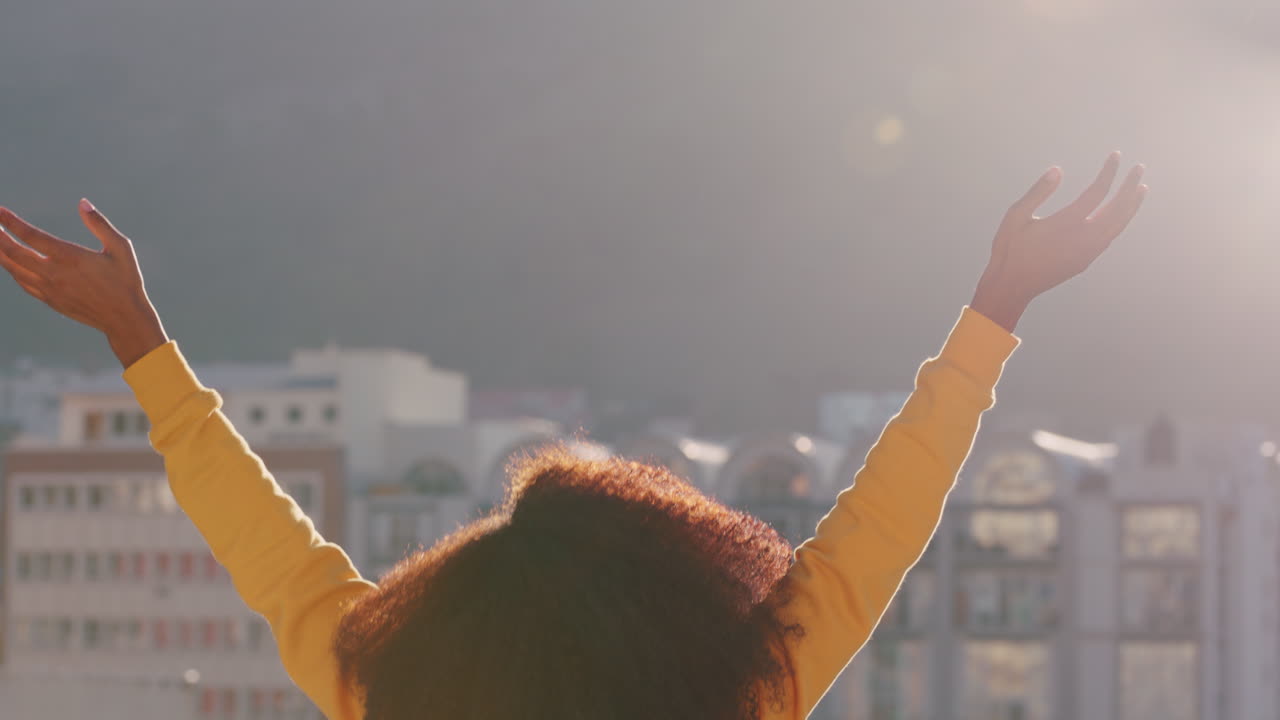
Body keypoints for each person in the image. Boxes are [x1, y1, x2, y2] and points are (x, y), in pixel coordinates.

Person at [0, 153, 1146, 719]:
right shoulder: (749, 687)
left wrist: (140, 341)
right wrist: (996, 305)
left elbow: (261, 537)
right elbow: (885, 521)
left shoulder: (384, 686)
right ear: (678, 587)